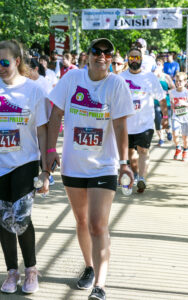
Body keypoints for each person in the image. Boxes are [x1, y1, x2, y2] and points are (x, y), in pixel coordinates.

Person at [46, 38, 134, 300]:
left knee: (98, 224)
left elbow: (120, 127)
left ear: (112, 58)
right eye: (97, 51)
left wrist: (124, 164)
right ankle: (89, 265)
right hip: (74, 165)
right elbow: (55, 115)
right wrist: (50, 152)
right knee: (82, 221)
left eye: (108, 53)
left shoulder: (116, 84)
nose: (102, 57)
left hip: (103, 166)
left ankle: (100, 285)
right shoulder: (72, 79)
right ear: (88, 55)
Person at [0, 40, 51, 294]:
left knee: (20, 218)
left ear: (16, 62)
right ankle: (11, 273)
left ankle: (31, 270)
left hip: (24, 161)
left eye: (4, 62)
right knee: (4, 219)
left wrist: (45, 170)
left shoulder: (33, 91)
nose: (0, 67)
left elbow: (42, 132)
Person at [120, 46, 168, 193]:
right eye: (132, 57)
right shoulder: (120, 78)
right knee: (130, 155)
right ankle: (136, 173)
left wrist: (165, 117)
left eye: (137, 57)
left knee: (143, 150)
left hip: (145, 123)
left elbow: (161, 98)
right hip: (126, 124)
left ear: (141, 59)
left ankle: (141, 178)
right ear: (128, 60)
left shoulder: (150, 77)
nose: (135, 60)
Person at [170, 72, 188, 161]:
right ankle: (178, 148)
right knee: (175, 134)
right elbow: (172, 102)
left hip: (186, 117)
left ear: (185, 82)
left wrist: (184, 103)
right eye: (176, 81)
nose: (178, 83)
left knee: (185, 137)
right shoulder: (172, 92)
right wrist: (173, 105)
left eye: (180, 81)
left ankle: (185, 151)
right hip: (176, 116)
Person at [154, 57, 175, 146]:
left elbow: (173, 88)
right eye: (156, 64)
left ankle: (168, 131)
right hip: (155, 103)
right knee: (158, 121)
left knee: (166, 120)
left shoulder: (166, 76)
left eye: (159, 64)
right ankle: (161, 138)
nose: (157, 66)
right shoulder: (152, 77)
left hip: (166, 103)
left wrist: (166, 92)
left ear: (162, 66)